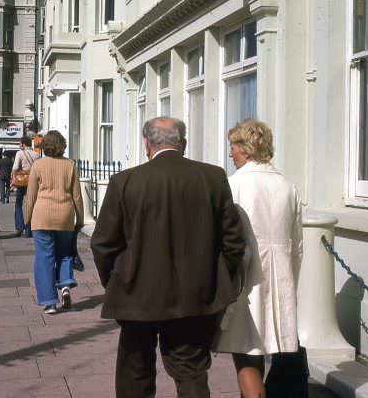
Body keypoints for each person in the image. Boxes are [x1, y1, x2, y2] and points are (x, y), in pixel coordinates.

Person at [91, 117, 245, 398]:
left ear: (146, 143)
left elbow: (103, 244)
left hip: (136, 293)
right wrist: (217, 277)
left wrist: (115, 282)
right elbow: (233, 241)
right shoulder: (212, 177)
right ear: (183, 144)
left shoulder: (125, 181)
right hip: (196, 294)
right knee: (190, 371)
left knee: (134, 371)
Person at [213, 119, 303, 398]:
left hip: (246, 282)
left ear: (246, 147)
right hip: (281, 279)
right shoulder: (288, 187)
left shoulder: (235, 184)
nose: (230, 154)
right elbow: (297, 245)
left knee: (246, 357)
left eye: (233, 147)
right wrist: (290, 280)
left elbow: (225, 238)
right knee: (257, 354)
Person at [24, 130, 84, 314]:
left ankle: (50, 302)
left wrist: (27, 218)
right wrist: (80, 218)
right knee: (65, 252)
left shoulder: (38, 165)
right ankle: (65, 284)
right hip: (64, 215)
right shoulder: (70, 165)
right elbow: (77, 196)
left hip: (41, 216)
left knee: (44, 257)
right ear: (62, 145)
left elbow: (31, 196)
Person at [12, 135, 39, 237]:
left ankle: (20, 227)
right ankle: (29, 229)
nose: (19, 145)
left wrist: (14, 177)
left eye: (20, 143)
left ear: (23, 144)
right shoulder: (37, 155)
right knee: (31, 204)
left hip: (21, 181)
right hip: (33, 181)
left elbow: (15, 168)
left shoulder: (20, 153)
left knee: (18, 204)